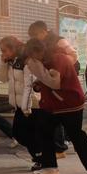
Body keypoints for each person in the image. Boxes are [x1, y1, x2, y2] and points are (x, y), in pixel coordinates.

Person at [25, 39, 87, 174]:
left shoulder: (58, 59)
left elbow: (55, 82)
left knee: (75, 135)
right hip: (53, 104)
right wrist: (38, 84)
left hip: (69, 103)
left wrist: (36, 70)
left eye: (32, 55)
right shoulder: (45, 61)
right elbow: (46, 79)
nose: (32, 59)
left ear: (39, 51)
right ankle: (50, 167)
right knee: (44, 131)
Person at [28, 20, 78, 159]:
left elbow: (74, 55)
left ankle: (60, 148)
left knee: (56, 115)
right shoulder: (42, 44)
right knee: (53, 116)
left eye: (36, 35)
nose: (35, 38)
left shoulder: (59, 41)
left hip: (62, 81)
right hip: (49, 81)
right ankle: (57, 150)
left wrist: (59, 67)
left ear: (44, 31)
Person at [0, 36, 42, 170]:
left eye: (4, 50)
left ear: (13, 48)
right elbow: (2, 78)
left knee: (30, 134)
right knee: (19, 134)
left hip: (30, 104)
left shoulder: (25, 61)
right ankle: (39, 156)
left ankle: (40, 158)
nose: (2, 53)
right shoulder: (11, 61)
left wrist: (26, 106)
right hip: (19, 104)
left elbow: (30, 84)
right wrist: (3, 62)